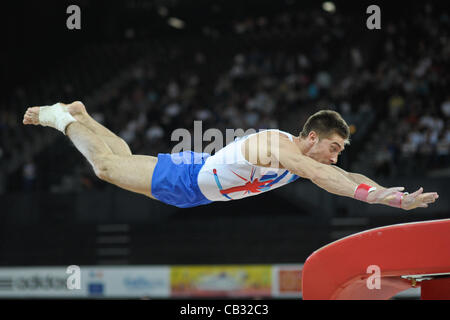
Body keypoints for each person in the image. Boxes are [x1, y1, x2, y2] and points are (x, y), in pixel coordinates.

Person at [22, 101, 439, 210]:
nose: (335, 158)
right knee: (107, 167)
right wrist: (374, 198)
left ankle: (84, 116)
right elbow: (331, 181)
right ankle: (62, 118)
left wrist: (393, 196)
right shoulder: (281, 148)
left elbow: (347, 176)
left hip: (192, 190)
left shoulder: (311, 159)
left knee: (126, 158)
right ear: (311, 137)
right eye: (333, 148)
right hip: (187, 179)